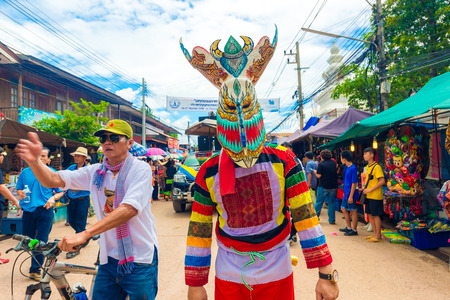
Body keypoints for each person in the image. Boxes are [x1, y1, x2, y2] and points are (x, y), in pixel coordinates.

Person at [181, 30, 338, 300]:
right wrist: (195, 283)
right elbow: (199, 228)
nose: (241, 122)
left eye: (246, 108)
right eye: (231, 109)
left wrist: (326, 273)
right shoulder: (209, 172)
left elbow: (306, 217)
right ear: (221, 114)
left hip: (277, 270)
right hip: (229, 273)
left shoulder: (285, 161)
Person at [16, 120, 159, 299]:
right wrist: (35, 161)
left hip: (139, 259)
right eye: (103, 138)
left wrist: (85, 233)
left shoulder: (141, 169)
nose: (107, 142)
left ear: (129, 143)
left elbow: (129, 209)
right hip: (109, 259)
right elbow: (52, 180)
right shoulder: (96, 172)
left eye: (114, 137)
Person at [15, 147, 64, 281]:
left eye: (43, 156)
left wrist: (52, 198)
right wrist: (20, 193)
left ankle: (35, 270)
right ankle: (38, 260)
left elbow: (60, 191)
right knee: (29, 240)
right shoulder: (25, 172)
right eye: (37, 155)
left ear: (48, 160)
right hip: (28, 211)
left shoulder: (53, 173)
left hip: (45, 210)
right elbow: (18, 189)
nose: (39, 158)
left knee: (41, 240)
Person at [65, 147, 91, 259]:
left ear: (84, 158)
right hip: (72, 200)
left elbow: (91, 185)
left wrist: (78, 187)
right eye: (75, 155)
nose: (76, 158)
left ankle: (76, 247)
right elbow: (66, 179)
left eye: (78, 156)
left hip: (82, 200)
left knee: (80, 224)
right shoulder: (71, 168)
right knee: (71, 221)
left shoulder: (89, 169)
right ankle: (85, 235)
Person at [362, 147, 385, 242]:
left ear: (372, 155)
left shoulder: (377, 167)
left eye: (366, 154)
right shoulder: (367, 167)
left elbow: (382, 181)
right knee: (370, 215)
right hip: (368, 195)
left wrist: (370, 189)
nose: (364, 156)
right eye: (364, 154)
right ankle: (375, 234)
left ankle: (378, 236)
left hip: (375, 195)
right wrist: (365, 188)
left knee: (376, 215)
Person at [314, 149, 338, 224]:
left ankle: (315, 218)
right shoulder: (333, 163)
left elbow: (319, 176)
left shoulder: (321, 164)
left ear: (322, 156)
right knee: (331, 203)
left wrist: (315, 172)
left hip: (323, 186)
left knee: (319, 203)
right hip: (333, 186)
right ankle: (332, 219)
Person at [339, 150, 358, 236]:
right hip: (346, 192)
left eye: (341, 157)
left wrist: (351, 195)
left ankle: (354, 230)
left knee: (353, 211)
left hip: (351, 193)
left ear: (344, 158)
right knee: (344, 209)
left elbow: (354, 183)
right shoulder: (346, 167)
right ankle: (349, 227)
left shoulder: (353, 168)